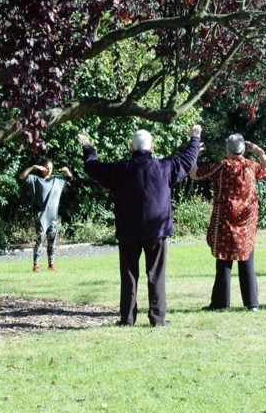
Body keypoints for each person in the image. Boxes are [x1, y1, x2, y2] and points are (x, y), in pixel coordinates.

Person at [78, 125, 202, 327]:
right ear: (152, 147)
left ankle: (127, 319)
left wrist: (88, 147)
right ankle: (157, 319)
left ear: (130, 147)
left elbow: (94, 167)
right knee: (156, 275)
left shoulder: (120, 170)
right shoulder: (165, 167)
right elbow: (188, 160)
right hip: (156, 231)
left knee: (129, 276)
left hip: (129, 231)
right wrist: (194, 138)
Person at [190, 134, 266, 311]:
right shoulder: (251, 166)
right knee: (247, 261)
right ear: (243, 150)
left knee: (223, 260)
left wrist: (194, 153)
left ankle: (220, 304)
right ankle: (252, 304)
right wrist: (260, 152)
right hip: (246, 222)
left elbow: (195, 174)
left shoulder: (221, 166)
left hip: (225, 221)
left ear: (228, 150)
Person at [19, 159, 73, 272]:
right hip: (40, 215)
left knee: (52, 241)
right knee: (40, 239)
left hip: (52, 216)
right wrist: (33, 167)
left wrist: (67, 171)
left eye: (51, 168)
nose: (49, 170)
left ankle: (51, 265)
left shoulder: (57, 179)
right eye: (47, 168)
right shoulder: (35, 179)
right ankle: (36, 265)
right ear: (42, 167)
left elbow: (70, 178)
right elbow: (22, 177)